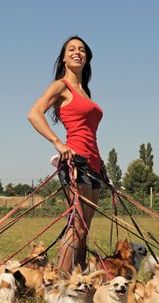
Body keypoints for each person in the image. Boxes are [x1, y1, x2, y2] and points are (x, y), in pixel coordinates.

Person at [27, 35, 104, 273]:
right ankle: (59, 285)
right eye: (71, 49)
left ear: (87, 57)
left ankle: (79, 283)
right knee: (76, 227)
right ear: (64, 57)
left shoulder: (84, 90)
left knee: (85, 230)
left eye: (82, 49)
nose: (77, 52)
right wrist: (58, 143)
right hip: (76, 162)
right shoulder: (61, 85)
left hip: (95, 165)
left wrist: (101, 165)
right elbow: (34, 114)